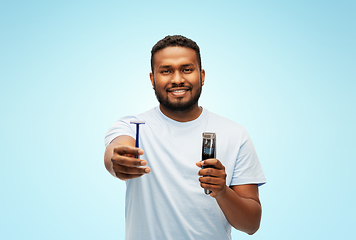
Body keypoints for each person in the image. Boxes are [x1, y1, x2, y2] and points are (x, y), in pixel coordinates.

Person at [104, 35, 266, 240]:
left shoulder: (234, 133)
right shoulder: (132, 126)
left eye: (187, 69)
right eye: (166, 71)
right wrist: (117, 161)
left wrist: (223, 192)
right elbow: (116, 150)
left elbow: (251, 224)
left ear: (202, 76)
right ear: (153, 79)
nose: (177, 79)